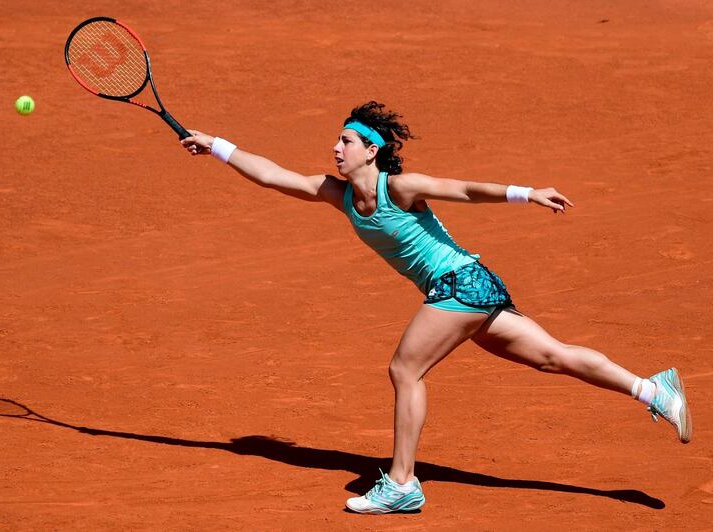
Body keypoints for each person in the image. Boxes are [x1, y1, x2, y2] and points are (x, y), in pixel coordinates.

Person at [180, 101, 692, 514]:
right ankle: (652, 388)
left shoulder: (400, 188)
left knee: (405, 369)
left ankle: (402, 482)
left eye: (347, 141)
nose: (335, 149)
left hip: (460, 285)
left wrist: (526, 193)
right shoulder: (337, 195)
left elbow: (463, 188)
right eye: (338, 141)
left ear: (371, 151)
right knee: (551, 357)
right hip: (473, 287)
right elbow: (273, 175)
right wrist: (218, 146)